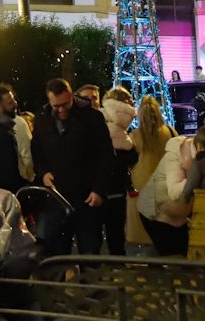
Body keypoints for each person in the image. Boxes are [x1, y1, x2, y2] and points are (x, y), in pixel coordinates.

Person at [30, 79, 116, 256]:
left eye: (65, 104)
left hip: (86, 197)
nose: (61, 110)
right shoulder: (42, 120)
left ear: (72, 96)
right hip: (57, 198)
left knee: (89, 251)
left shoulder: (92, 117)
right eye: (56, 106)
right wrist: (43, 173)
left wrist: (99, 189)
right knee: (57, 253)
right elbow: (37, 153)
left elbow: (106, 156)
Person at [126, 94, 174, 251]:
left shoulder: (135, 136)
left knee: (143, 232)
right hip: (165, 186)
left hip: (141, 187)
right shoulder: (170, 132)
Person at [136, 136, 196, 256]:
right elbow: (174, 191)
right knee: (170, 253)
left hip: (175, 213)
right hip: (156, 210)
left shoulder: (192, 158)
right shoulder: (176, 156)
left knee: (178, 251)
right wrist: (195, 178)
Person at [99, 87, 138, 255]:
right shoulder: (119, 130)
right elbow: (130, 156)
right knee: (116, 231)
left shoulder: (100, 119)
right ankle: (117, 265)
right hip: (115, 187)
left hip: (98, 187)